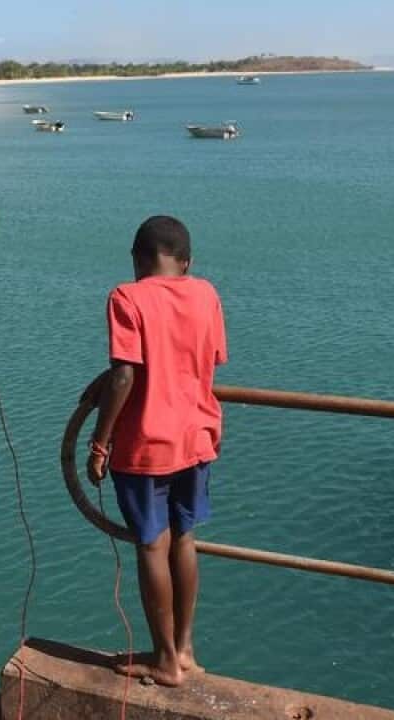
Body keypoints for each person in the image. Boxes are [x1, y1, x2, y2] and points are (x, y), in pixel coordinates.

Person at [85, 215, 227, 687]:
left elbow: (125, 374)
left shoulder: (127, 297)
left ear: (136, 258)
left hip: (147, 443)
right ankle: (185, 648)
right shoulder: (206, 293)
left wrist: (100, 441)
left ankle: (163, 659)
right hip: (199, 436)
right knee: (184, 540)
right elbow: (204, 360)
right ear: (186, 261)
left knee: (151, 543)